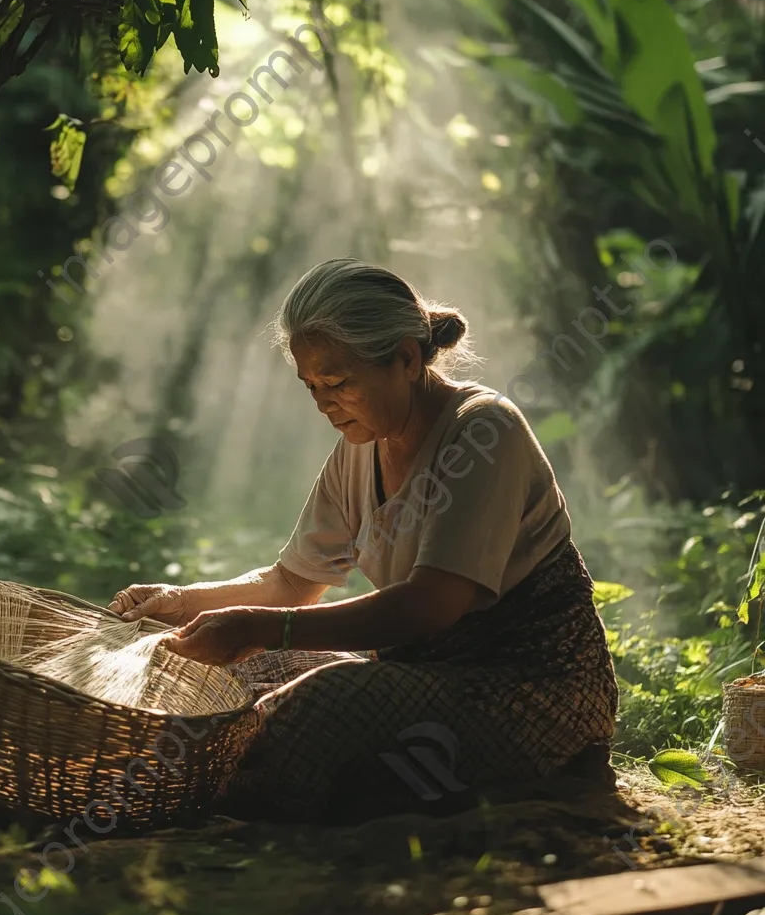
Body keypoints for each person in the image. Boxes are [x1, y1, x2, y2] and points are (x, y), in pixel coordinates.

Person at [108, 258, 618, 822]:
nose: (324, 403)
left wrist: (261, 628)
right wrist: (178, 603)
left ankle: (242, 799)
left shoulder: (483, 430)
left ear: (404, 358)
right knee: (223, 673)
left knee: (319, 704)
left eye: (339, 383)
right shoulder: (360, 447)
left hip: (529, 694)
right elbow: (292, 582)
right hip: (424, 680)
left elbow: (430, 605)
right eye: (311, 387)